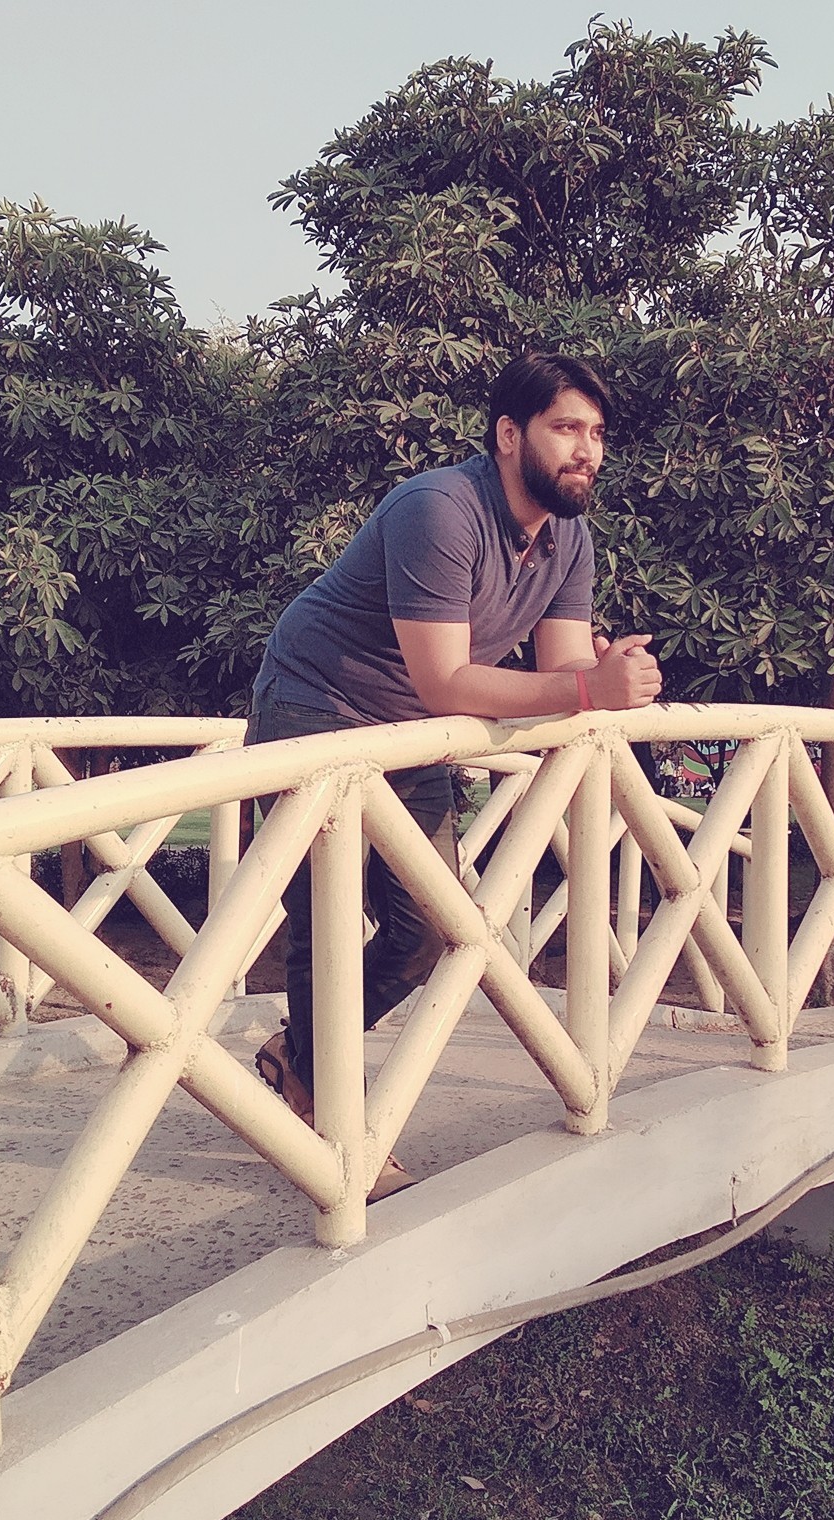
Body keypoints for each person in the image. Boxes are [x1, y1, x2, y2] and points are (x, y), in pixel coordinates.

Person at [246, 352, 661, 1198]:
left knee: (432, 931)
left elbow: (561, 666)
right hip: (314, 708)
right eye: (566, 428)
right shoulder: (437, 509)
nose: (587, 450)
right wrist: (590, 689)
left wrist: (600, 674)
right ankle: (336, 1133)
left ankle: (296, 1055)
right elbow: (446, 680)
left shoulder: (568, 536)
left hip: (409, 734)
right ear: (509, 434)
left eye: (596, 433)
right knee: (327, 922)